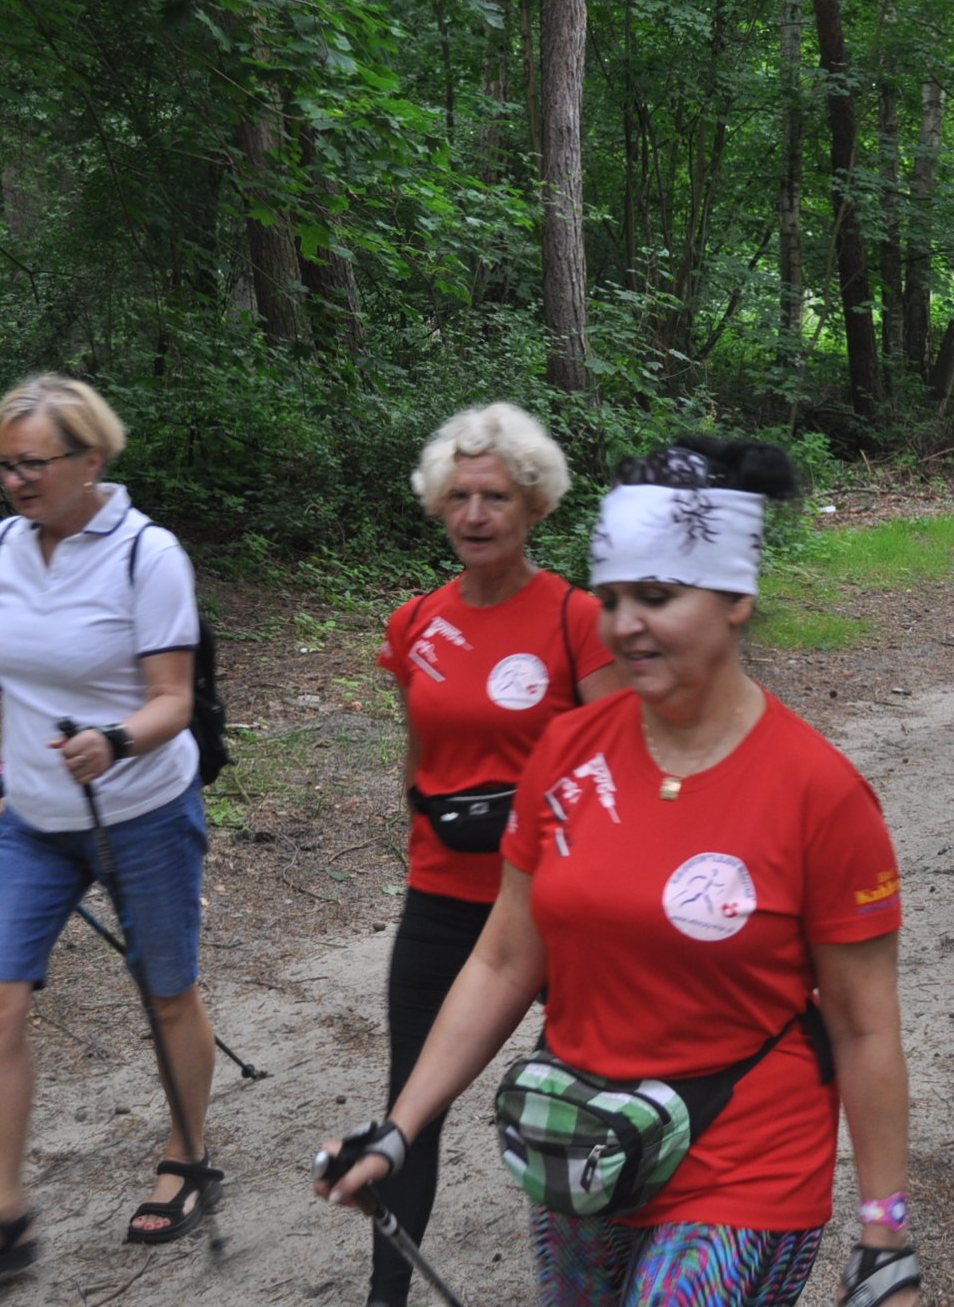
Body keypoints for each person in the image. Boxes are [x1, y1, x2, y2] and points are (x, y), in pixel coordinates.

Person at [317, 437, 920, 1307]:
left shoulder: (819, 792)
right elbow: (504, 960)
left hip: (745, 1164)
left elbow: (863, 1029)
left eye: (658, 596)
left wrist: (885, 1233)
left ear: (737, 599)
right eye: (611, 599)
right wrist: (400, 1128)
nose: (626, 623)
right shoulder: (567, 751)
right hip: (585, 1151)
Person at [0, 376, 219, 1295]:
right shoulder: (3, 545)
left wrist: (114, 740)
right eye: (4, 465)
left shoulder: (146, 555)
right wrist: (6, 777)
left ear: (90, 460)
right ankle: (4, 1213)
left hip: (142, 810)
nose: (14, 480)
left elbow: (172, 701)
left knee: (167, 996)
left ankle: (188, 1156)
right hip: (36, 823)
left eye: (33, 463)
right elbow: (23, 681)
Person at [363, 403, 625, 1307]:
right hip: (442, 895)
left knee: (583, 1103)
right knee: (410, 1106)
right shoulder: (415, 623)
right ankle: (386, 1296)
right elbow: (419, 752)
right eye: (460, 496)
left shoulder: (578, 620)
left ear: (535, 507)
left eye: (497, 498)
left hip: (556, 903)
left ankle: (609, 1274)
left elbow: (614, 766)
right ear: (440, 504)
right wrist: (420, 825)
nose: (475, 514)